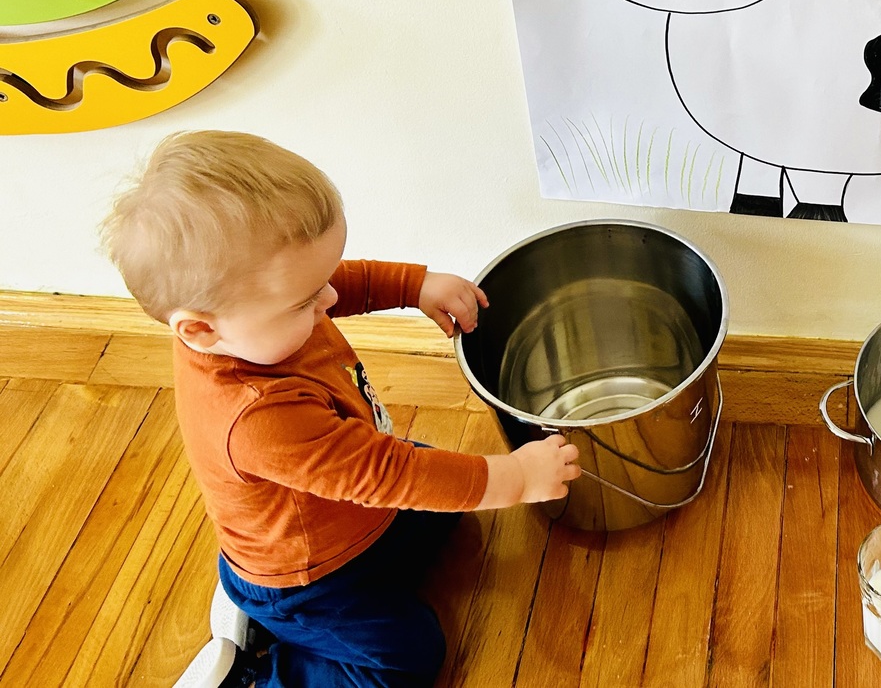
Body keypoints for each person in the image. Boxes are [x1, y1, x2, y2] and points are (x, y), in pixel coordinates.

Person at [101, 130, 580, 688]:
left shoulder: (246, 320)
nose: (329, 299)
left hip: (348, 514)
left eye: (323, 281)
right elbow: (388, 473)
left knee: (446, 512)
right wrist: (515, 479)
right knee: (408, 655)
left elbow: (331, 287)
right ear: (201, 330)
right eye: (307, 300)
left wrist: (413, 285)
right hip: (309, 579)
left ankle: (261, 614)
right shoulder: (256, 418)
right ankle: (257, 675)